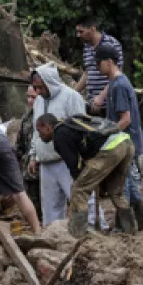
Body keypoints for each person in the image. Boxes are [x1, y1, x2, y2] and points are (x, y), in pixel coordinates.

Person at [35, 114, 137, 237]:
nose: (39, 136)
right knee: (116, 192)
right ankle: (131, 229)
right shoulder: (70, 124)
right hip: (125, 142)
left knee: (79, 190)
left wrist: (80, 182)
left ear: (47, 127)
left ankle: (78, 233)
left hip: (110, 148)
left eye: (39, 131)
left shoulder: (59, 136)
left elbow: (74, 165)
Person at [97, 42, 143, 228]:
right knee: (130, 185)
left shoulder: (119, 86)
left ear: (109, 62)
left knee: (121, 188)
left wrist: (106, 134)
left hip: (125, 144)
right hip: (127, 143)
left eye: (99, 63)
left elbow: (125, 119)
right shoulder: (116, 83)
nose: (97, 67)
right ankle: (142, 221)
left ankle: (124, 226)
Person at [27, 63, 86, 224]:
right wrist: (34, 155)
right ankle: (53, 239)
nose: (38, 92)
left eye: (40, 87)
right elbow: (36, 130)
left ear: (50, 82)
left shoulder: (71, 97)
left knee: (80, 199)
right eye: (35, 88)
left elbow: (81, 128)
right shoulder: (39, 101)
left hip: (68, 161)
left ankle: (95, 231)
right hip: (46, 161)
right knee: (50, 208)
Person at [74, 15, 124, 114]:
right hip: (92, 103)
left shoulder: (112, 44)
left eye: (81, 31)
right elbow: (87, 73)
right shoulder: (87, 47)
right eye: (77, 32)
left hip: (109, 104)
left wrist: (102, 96)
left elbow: (117, 75)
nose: (78, 35)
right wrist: (73, 93)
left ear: (92, 29)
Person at [15, 85, 41, 219]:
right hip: (27, 171)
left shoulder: (44, 116)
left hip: (42, 168)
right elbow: (19, 146)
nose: (30, 100)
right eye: (28, 97)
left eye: (33, 97)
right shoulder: (26, 118)